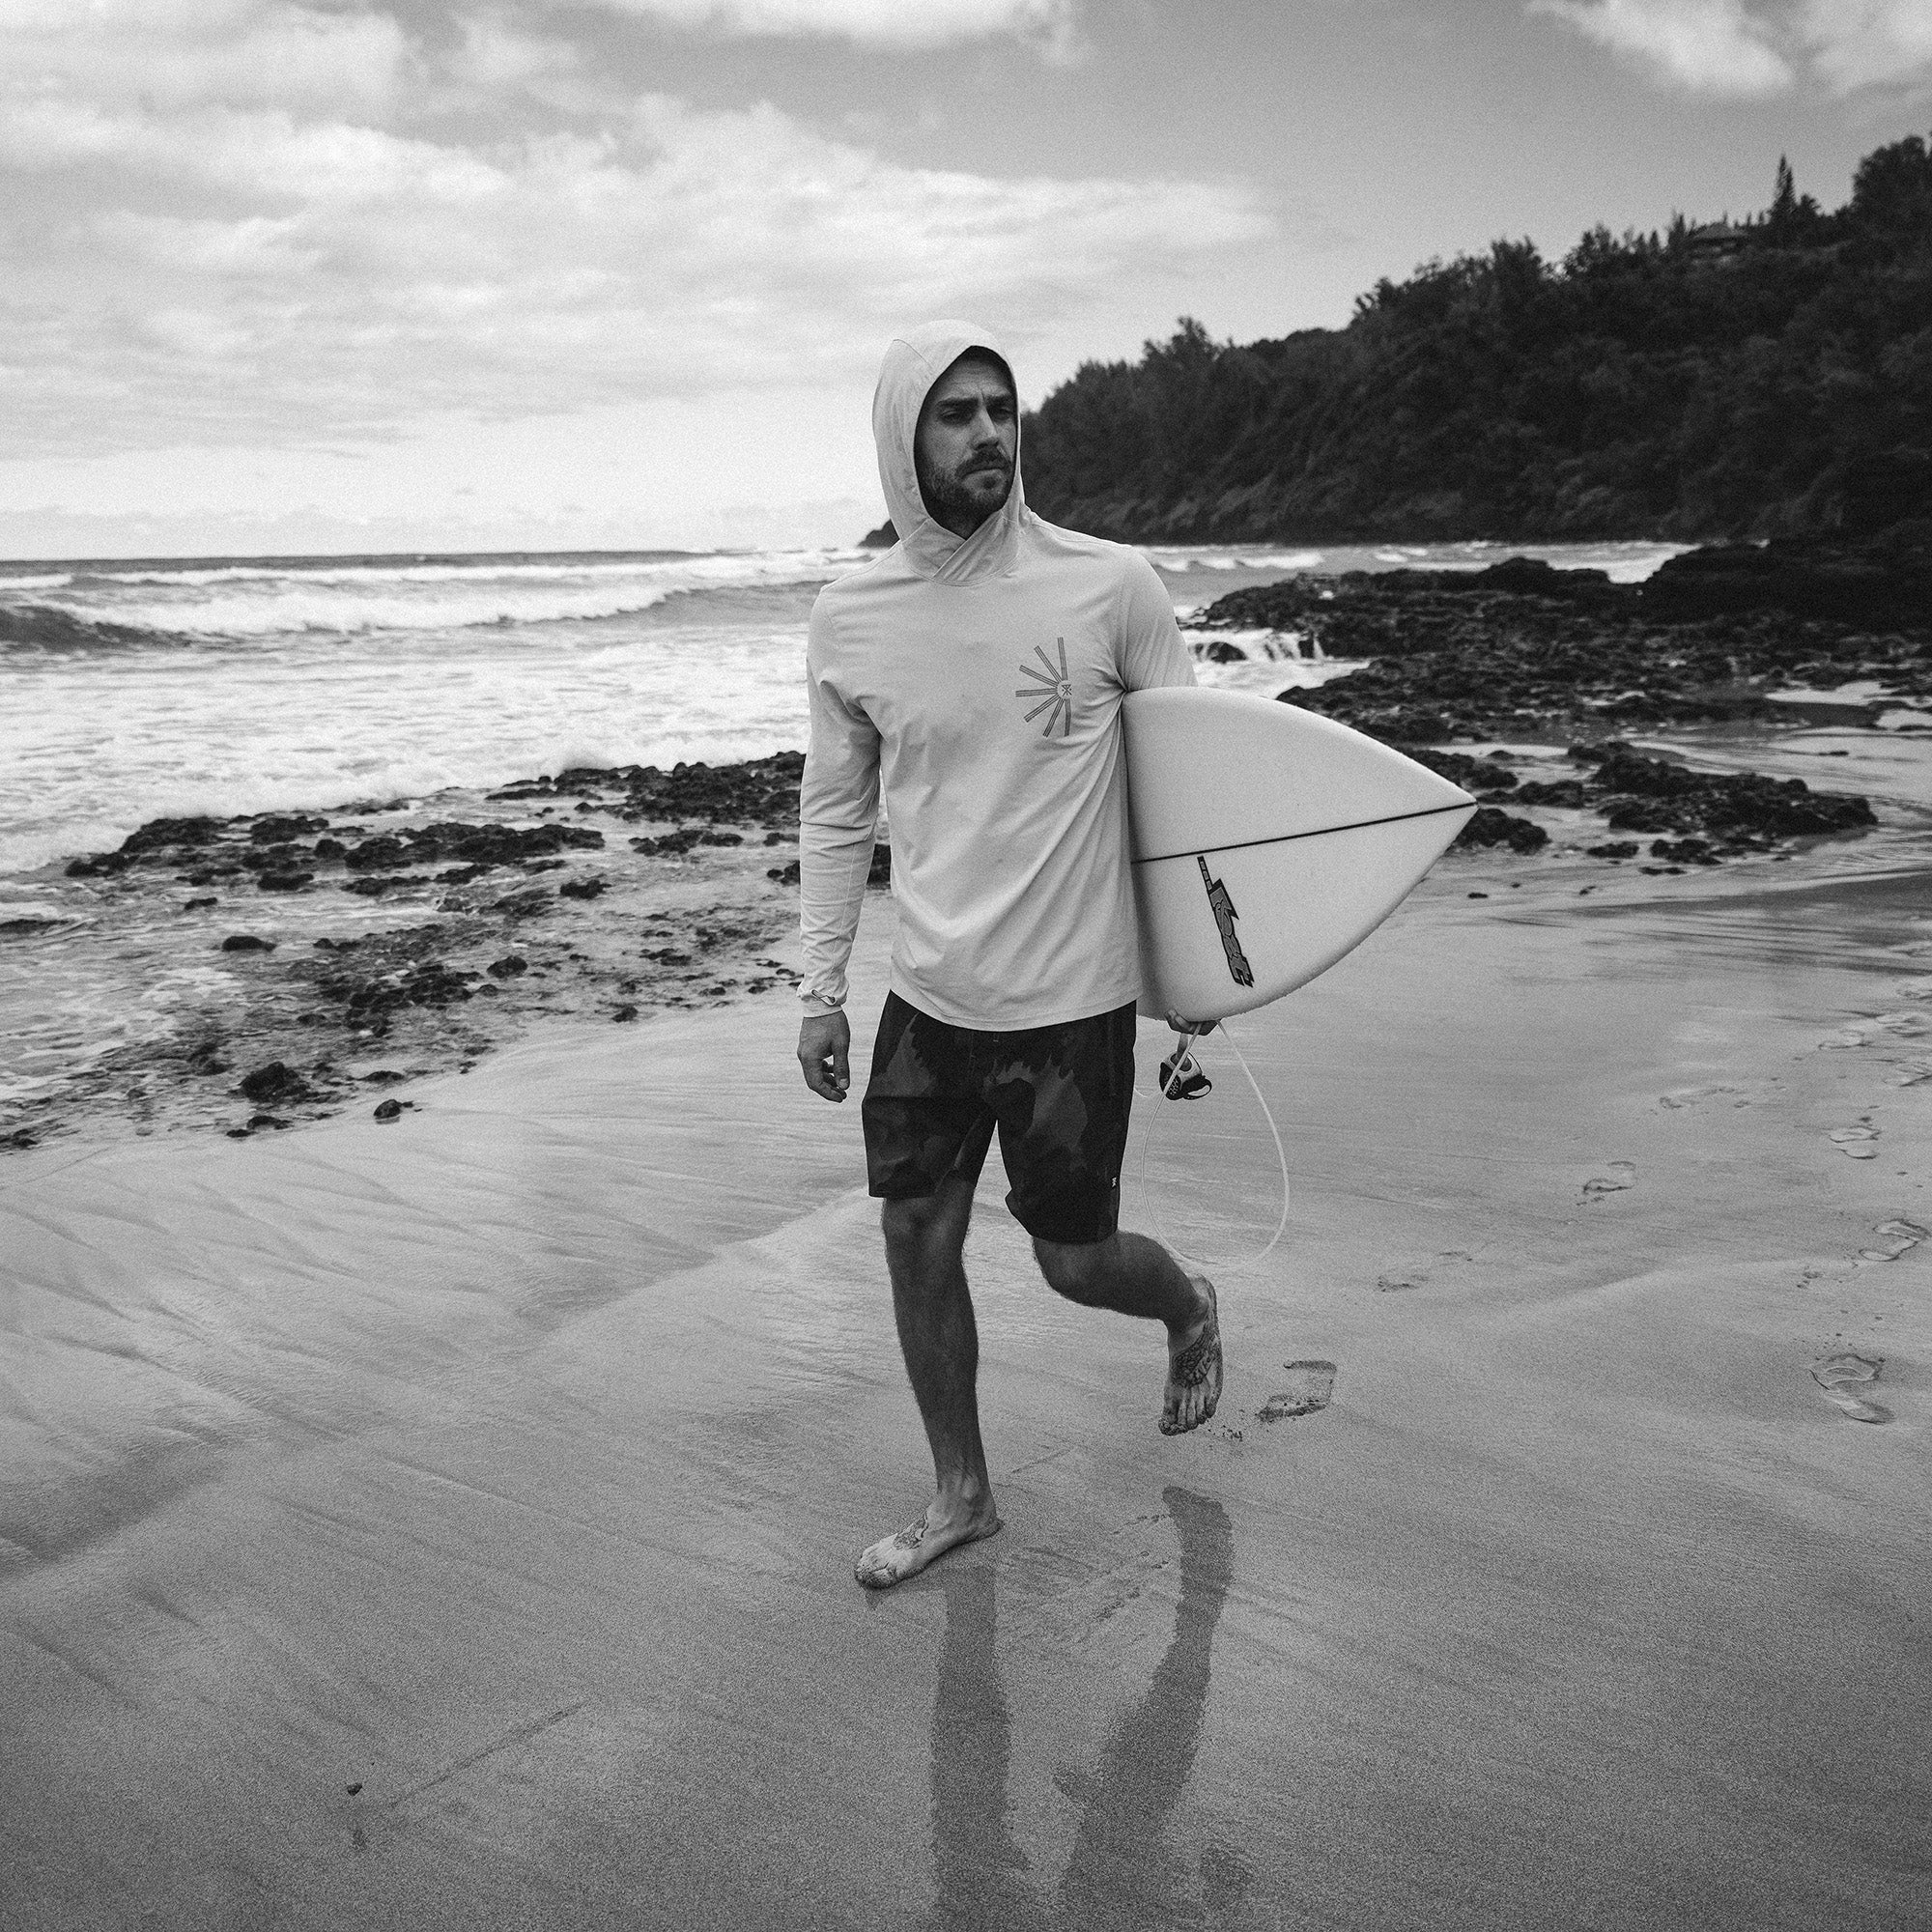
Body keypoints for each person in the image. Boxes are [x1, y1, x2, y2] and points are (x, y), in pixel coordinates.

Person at [795, 321, 1223, 1590]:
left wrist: (1205, 968)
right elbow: (837, 810)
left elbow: (1196, 784)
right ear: (900, 438)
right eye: (954, 412)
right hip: (929, 993)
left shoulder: (1110, 587)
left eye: (1000, 407)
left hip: (1071, 999)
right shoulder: (852, 614)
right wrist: (820, 986)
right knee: (915, 1235)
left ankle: (1187, 1303)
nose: (988, 431)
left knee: (1073, 1259)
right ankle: (962, 1495)